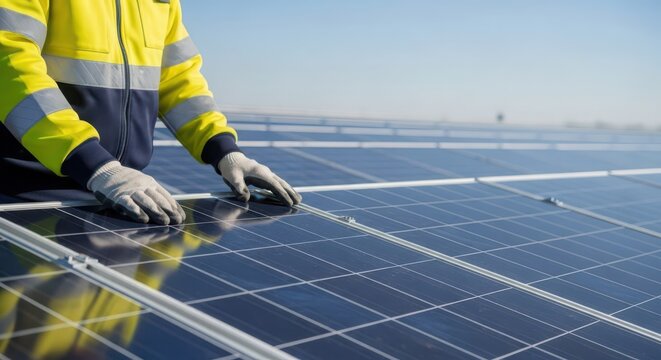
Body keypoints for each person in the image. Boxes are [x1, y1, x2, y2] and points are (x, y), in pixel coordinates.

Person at [0, 0, 301, 224]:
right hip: (26, 196)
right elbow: (10, 65)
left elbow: (177, 79)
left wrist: (224, 151)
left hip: (124, 198)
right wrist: (94, 165)